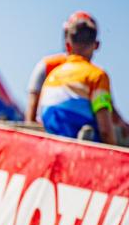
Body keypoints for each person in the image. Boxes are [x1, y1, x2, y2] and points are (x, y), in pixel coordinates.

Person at [38, 12, 115, 144]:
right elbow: (105, 131)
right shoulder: (97, 76)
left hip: (51, 138)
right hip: (78, 140)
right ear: (96, 45)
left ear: (68, 46)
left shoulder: (53, 74)